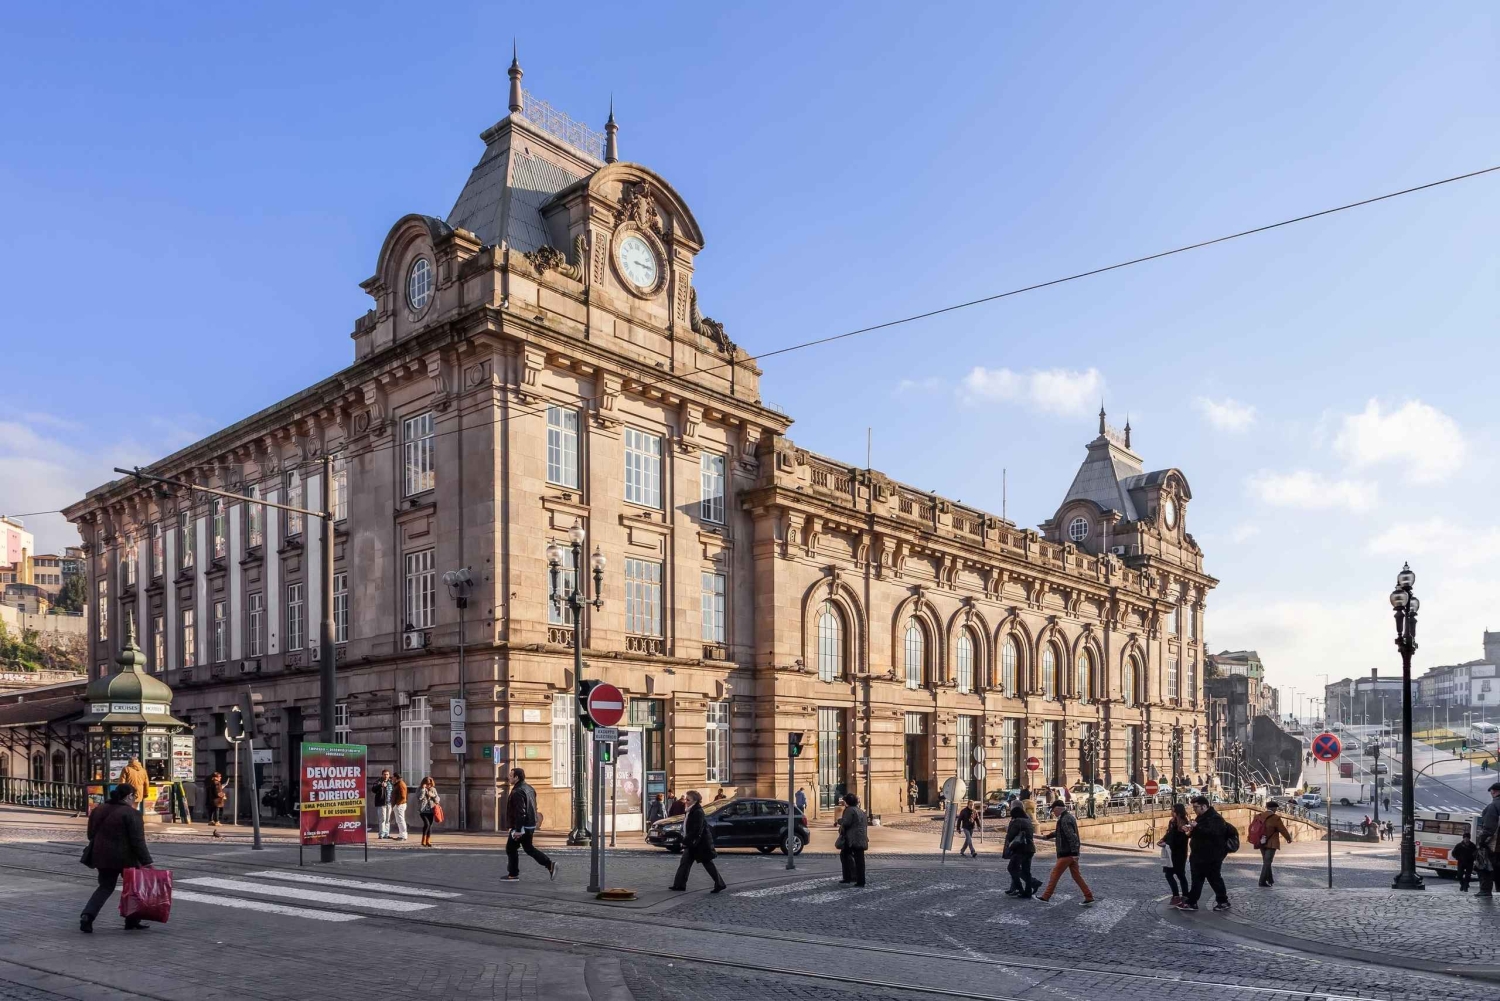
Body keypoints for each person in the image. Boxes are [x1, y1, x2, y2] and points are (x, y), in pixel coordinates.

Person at [80, 784, 154, 933]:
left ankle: (88, 916)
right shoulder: (132, 813)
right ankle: (132, 919)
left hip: (102, 855)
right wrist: (147, 862)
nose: (134, 799)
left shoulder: (98, 810)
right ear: (128, 796)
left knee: (105, 887)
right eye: (134, 796)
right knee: (133, 888)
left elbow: (91, 834)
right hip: (126, 857)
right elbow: (137, 841)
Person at [1179, 795, 1233, 912]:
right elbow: (1198, 833)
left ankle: (1223, 901)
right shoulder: (1200, 817)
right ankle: (1192, 902)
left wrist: (1197, 827)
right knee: (1197, 879)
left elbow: (1214, 834)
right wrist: (1189, 831)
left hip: (1211, 856)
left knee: (1214, 879)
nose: (1194, 810)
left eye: (1196, 807)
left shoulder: (1215, 818)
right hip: (1198, 855)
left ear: (1204, 806)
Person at [502, 768, 556, 881]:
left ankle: (513, 874)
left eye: (511, 776)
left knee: (511, 848)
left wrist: (517, 829)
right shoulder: (529, 788)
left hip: (522, 826)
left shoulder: (517, 791)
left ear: (517, 777)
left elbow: (520, 812)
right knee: (528, 848)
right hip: (530, 824)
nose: (509, 778)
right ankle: (549, 865)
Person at [1036, 800, 1095, 905]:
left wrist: (1074, 853)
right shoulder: (1068, 817)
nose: (1053, 813)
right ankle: (1089, 896)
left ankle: (1046, 896)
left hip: (1066, 853)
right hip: (1071, 853)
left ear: (1058, 808)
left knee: (1055, 874)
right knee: (1076, 876)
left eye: (1054, 810)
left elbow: (1072, 837)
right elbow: (1061, 832)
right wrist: (1048, 836)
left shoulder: (1064, 819)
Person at [669, 790, 726, 893]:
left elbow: (696, 829)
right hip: (693, 842)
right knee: (684, 863)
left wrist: (685, 841)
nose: (685, 801)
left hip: (700, 843)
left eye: (688, 799)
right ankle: (679, 885)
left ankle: (720, 883)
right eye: (686, 799)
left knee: (707, 863)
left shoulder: (697, 811)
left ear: (695, 801)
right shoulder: (690, 810)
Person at [1004, 804, 1041, 898]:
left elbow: (1010, 835)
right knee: (1026, 871)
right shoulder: (1028, 821)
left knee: (1012, 868)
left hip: (1020, 849)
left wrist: (1009, 827)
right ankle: (1028, 892)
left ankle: (1020, 889)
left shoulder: (1017, 821)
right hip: (1030, 848)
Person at [1253, 801, 1292, 887]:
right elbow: (1283, 829)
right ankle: (1262, 881)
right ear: (1274, 808)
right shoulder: (1275, 818)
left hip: (1261, 841)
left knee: (1266, 861)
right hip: (1271, 843)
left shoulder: (1258, 816)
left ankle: (1270, 879)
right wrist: (1288, 838)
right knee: (1267, 862)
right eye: (1276, 808)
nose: (1276, 810)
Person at [1160, 802, 1191, 905]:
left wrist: (1167, 843)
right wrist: (1163, 840)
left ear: (1178, 812)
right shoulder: (1172, 822)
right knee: (1169, 874)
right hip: (1171, 852)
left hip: (1179, 853)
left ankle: (1184, 896)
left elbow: (1181, 839)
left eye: (1173, 811)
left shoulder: (1183, 823)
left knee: (1180, 874)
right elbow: (1169, 834)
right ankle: (1176, 895)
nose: (1171, 812)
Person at [836, 792, 868, 887]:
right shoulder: (860, 811)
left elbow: (846, 823)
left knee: (846, 856)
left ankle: (849, 877)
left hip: (852, 839)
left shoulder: (849, 810)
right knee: (859, 860)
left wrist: (839, 821)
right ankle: (860, 880)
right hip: (861, 838)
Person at [1475, 780, 1500, 897]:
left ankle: (1485, 891)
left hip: (1495, 844)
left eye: (1491, 791)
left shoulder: (1493, 806)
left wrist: (1481, 841)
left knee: (1485, 866)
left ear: (1494, 792)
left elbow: (1489, 828)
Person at [416, 776, 440, 847]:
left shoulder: (433, 789)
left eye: (430, 784)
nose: (428, 785)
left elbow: (438, 799)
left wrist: (432, 795)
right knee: (427, 824)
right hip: (423, 810)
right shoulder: (419, 789)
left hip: (431, 810)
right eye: (427, 784)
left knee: (430, 825)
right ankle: (423, 840)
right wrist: (423, 789)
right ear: (424, 783)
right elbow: (419, 798)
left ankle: (428, 841)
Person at [373, 769, 394, 839]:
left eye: (387, 774)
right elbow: (373, 789)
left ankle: (386, 834)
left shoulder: (391, 782)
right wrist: (380, 785)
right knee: (382, 819)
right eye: (384, 774)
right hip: (382, 803)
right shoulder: (378, 781)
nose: (386, 776)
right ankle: (381, 834)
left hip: (389, 803)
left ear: (389, 775)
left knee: (388, 819)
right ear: (382, 775)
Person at [391, 772, 409, 841]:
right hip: (399, 804)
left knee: (401, 820)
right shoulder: (398, 784)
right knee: (399, 820)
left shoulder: (400, 784)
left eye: (393, 777)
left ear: (396, 777)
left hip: (400, 805)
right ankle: (401, 835)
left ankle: (403, 836)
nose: (392, 778)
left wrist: (397, 805)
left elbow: (403, 797)